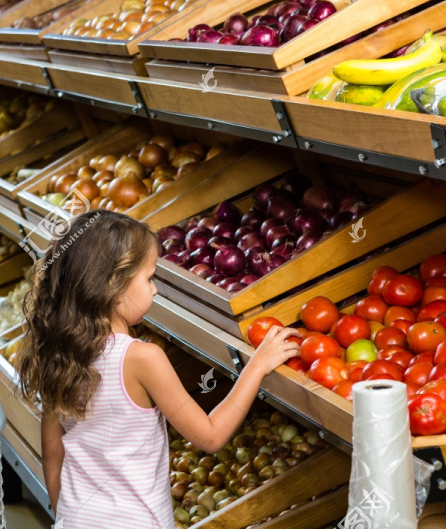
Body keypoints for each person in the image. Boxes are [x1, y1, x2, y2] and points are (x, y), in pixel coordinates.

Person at [15, 210, 300, 528]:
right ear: (114, 284)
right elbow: (210, 436)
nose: (154, 290)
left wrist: (67, 516)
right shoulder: (142, 359)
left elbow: (53, 455)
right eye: (149, 278)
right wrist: (257, 365)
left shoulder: (59, 352)